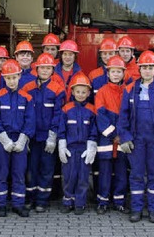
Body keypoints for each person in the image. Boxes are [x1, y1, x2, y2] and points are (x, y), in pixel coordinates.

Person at [118, 50, 154, 223]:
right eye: (144, 68)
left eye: (151, 67)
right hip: (136, 141)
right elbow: (123, 117)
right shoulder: (130, 90)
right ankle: (136, 209)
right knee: (136, 175)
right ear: (139, 69)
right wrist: (125, 137)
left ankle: (153, 209)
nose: (148, 71)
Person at [0, 59, 35, 217]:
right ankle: (1, 205)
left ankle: (18, 204)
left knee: (19, 173)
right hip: (3, 140)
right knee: (1, 173)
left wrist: (23, 140)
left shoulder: (27, 98)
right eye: (8, 78)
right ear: (3, 78)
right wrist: (4, 140)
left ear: (19, 76)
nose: (11, 81)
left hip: (20, 140)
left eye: (14, 77)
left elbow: (30, 120)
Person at [22, 53, 66, 213]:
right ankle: (30, 198)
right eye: (43, 68)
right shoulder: (27, 88)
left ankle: (42, 200)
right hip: (32, 137)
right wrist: (25, 136)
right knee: (31, 169)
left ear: (53, 70)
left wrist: (53, 136)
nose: (45, 71)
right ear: (37, 68)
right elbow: (24, 114)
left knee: (46, 169)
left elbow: (58, 114)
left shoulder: (58, 90)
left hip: (48, 137)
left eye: (48, 68)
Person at [57, 72, 97, 215]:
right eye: (78, 91)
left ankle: (80, 203)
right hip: (70, 149)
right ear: (72, 91)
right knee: (68, 176)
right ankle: (68, 201)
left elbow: (94, 130)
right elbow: (61, 128)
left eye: (84, 92)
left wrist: (92, 146)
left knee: (83, 177)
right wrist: (61, 145)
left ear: (88, 93)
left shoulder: (92, 110)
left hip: (84, 149)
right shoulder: (66, 109)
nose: (80, 94)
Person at [94, 56, 129, 215]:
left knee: (121, 173)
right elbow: (100, 116)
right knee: (105, 174)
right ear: (108, 73)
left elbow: (129, 116)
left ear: (123, 73)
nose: (115, 74)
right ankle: (103, 201)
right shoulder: (101, 92)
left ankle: (119, 201)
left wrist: (122, 135)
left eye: (118, 71)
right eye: (113, 71)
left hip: (122, 140)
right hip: (107, 140)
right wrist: (114, 134)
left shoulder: (128, 91)